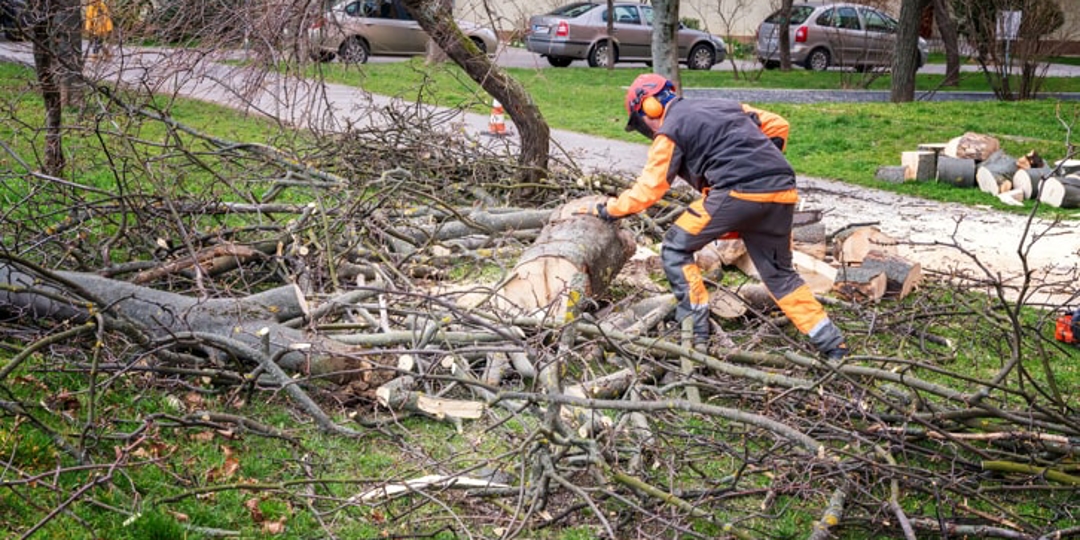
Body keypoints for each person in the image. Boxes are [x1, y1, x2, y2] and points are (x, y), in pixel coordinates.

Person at [583, 73, 849, 359]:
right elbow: (778, 125)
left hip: (735, 193)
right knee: (781, 276)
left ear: (649, 107)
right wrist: (760, 162)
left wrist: (609, 209)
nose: (646, 128)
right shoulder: (725, 105)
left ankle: (695, 331)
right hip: (781, 192)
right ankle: (833, 345)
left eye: (641, 122)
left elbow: (651, 188)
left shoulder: (671, 128)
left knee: (675, 247)